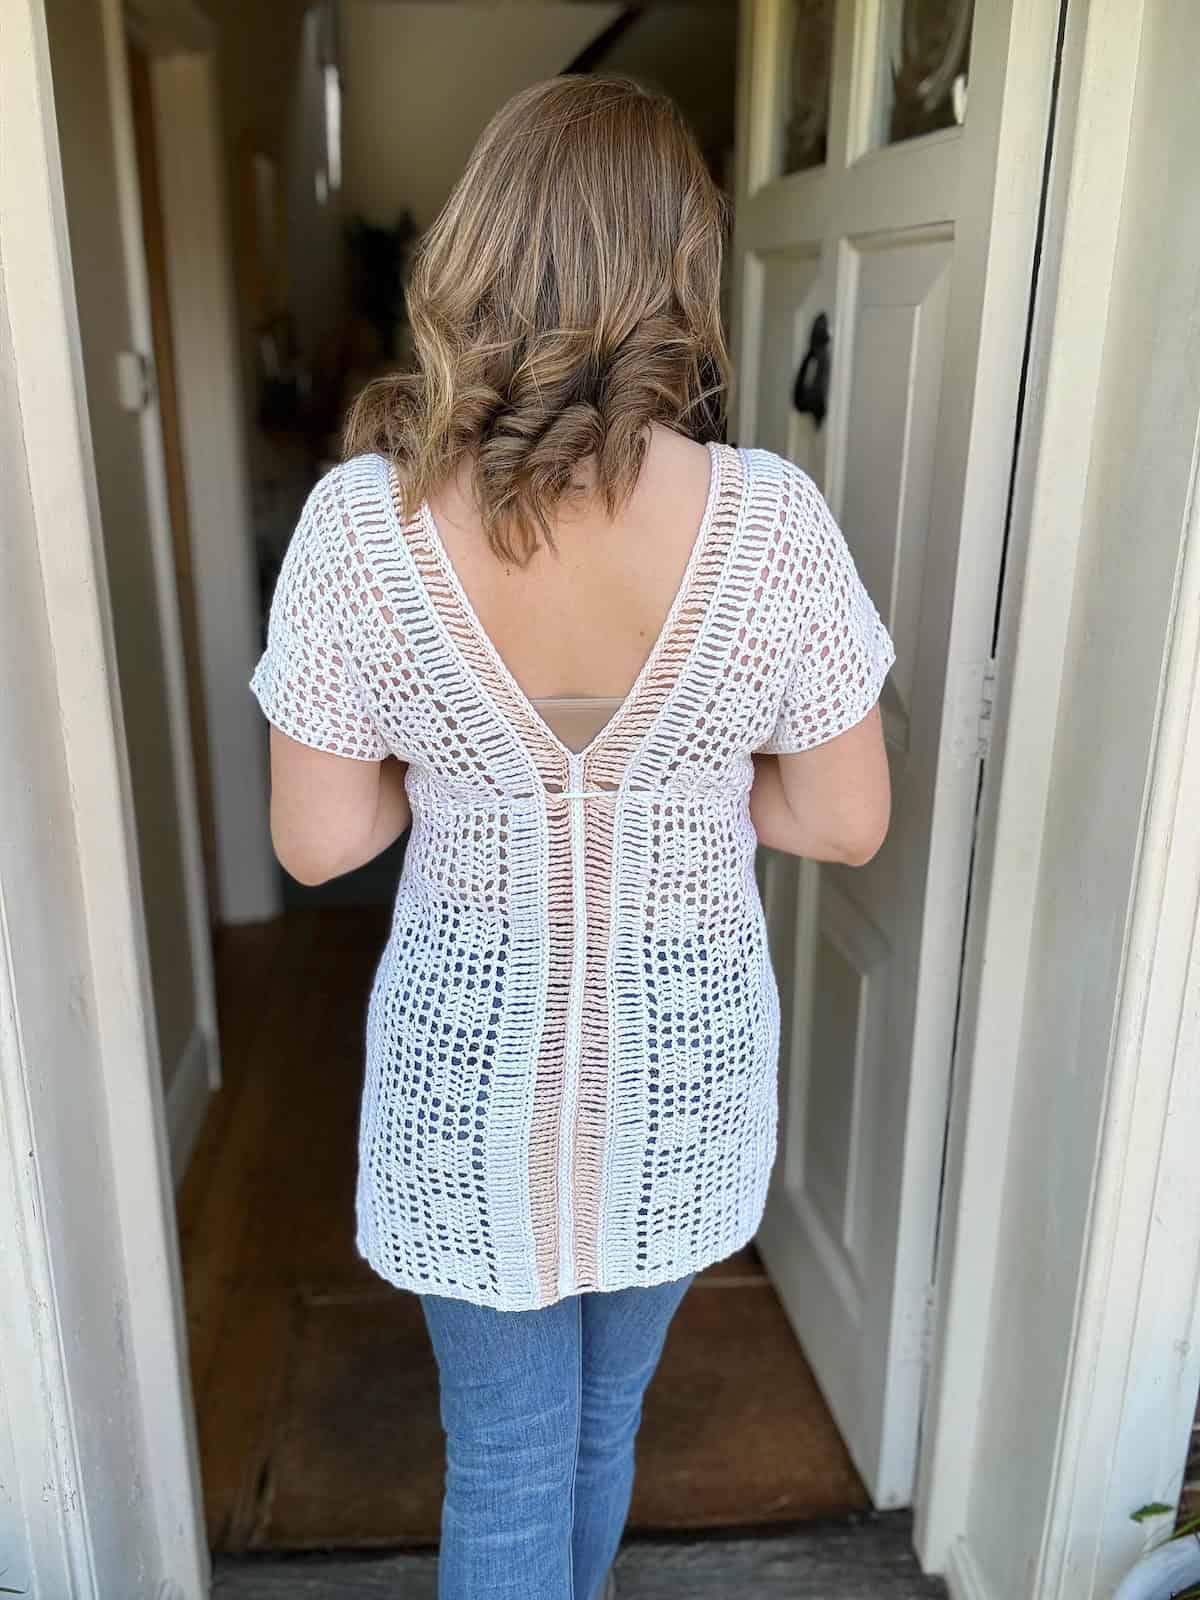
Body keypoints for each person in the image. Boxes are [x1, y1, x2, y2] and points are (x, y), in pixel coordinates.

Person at [249, 73, 895, 1600]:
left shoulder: (364, 526)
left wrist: (466, 770)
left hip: (467, 1086)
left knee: (509, 1464)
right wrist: (674, 780)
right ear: (677, 271)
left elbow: (320, 842)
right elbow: (846, 819)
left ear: (476, 252)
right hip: (680, 1068)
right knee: (604, 1438)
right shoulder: (770, 522)